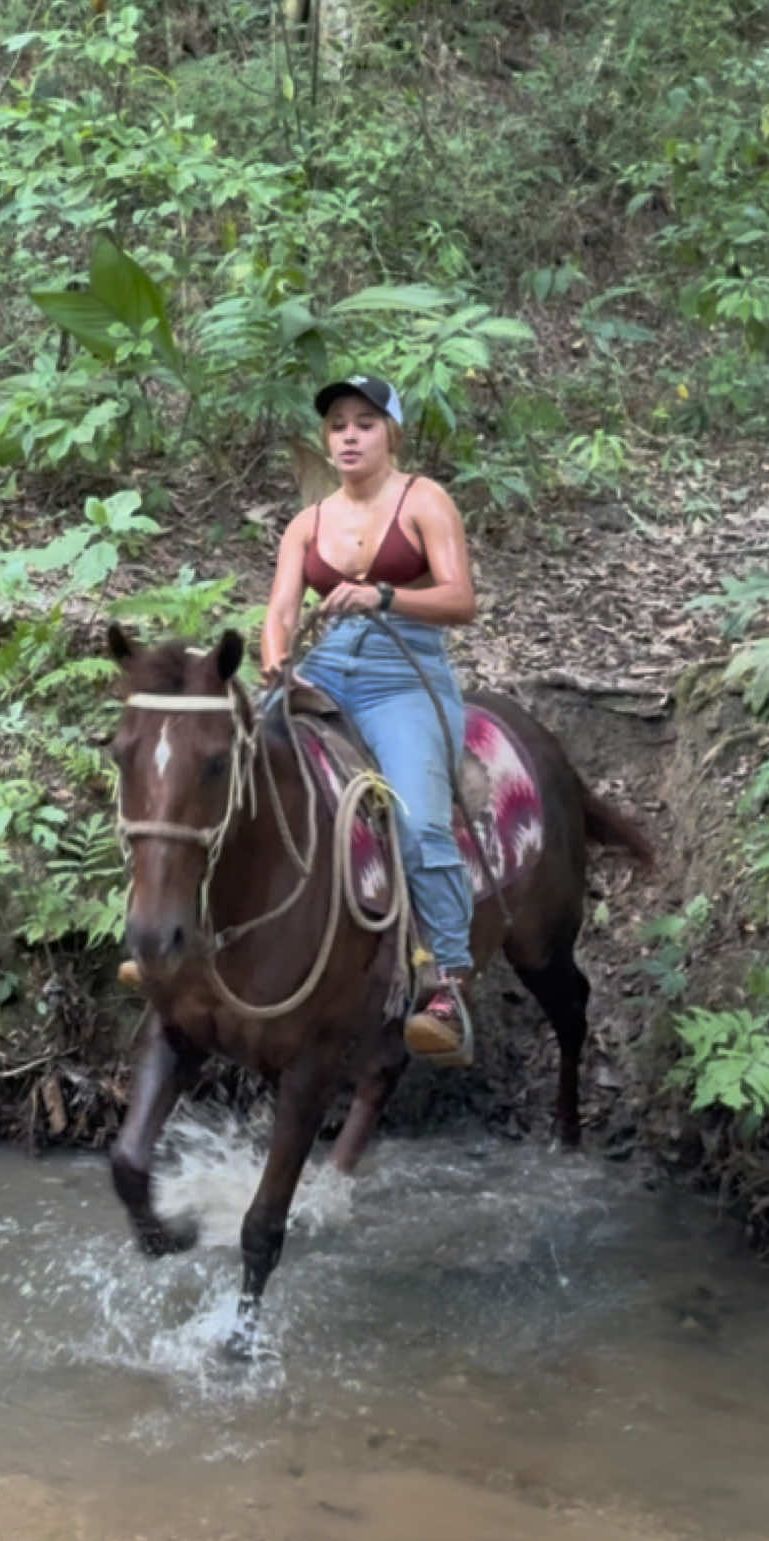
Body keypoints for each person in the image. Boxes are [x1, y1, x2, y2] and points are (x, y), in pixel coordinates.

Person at [260, 374, 477, 1061]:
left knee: (418, 821)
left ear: (392, 434)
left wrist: (383, 594)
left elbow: (461, 599)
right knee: (230, 769)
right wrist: (274, 661)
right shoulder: (308, 522)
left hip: (403, 672)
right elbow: (281, 612)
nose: (349, 436)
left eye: (365, 423)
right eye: (337, 425)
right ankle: (189, 941)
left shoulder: (424, 499)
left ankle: (447, 977)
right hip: (328, 667)